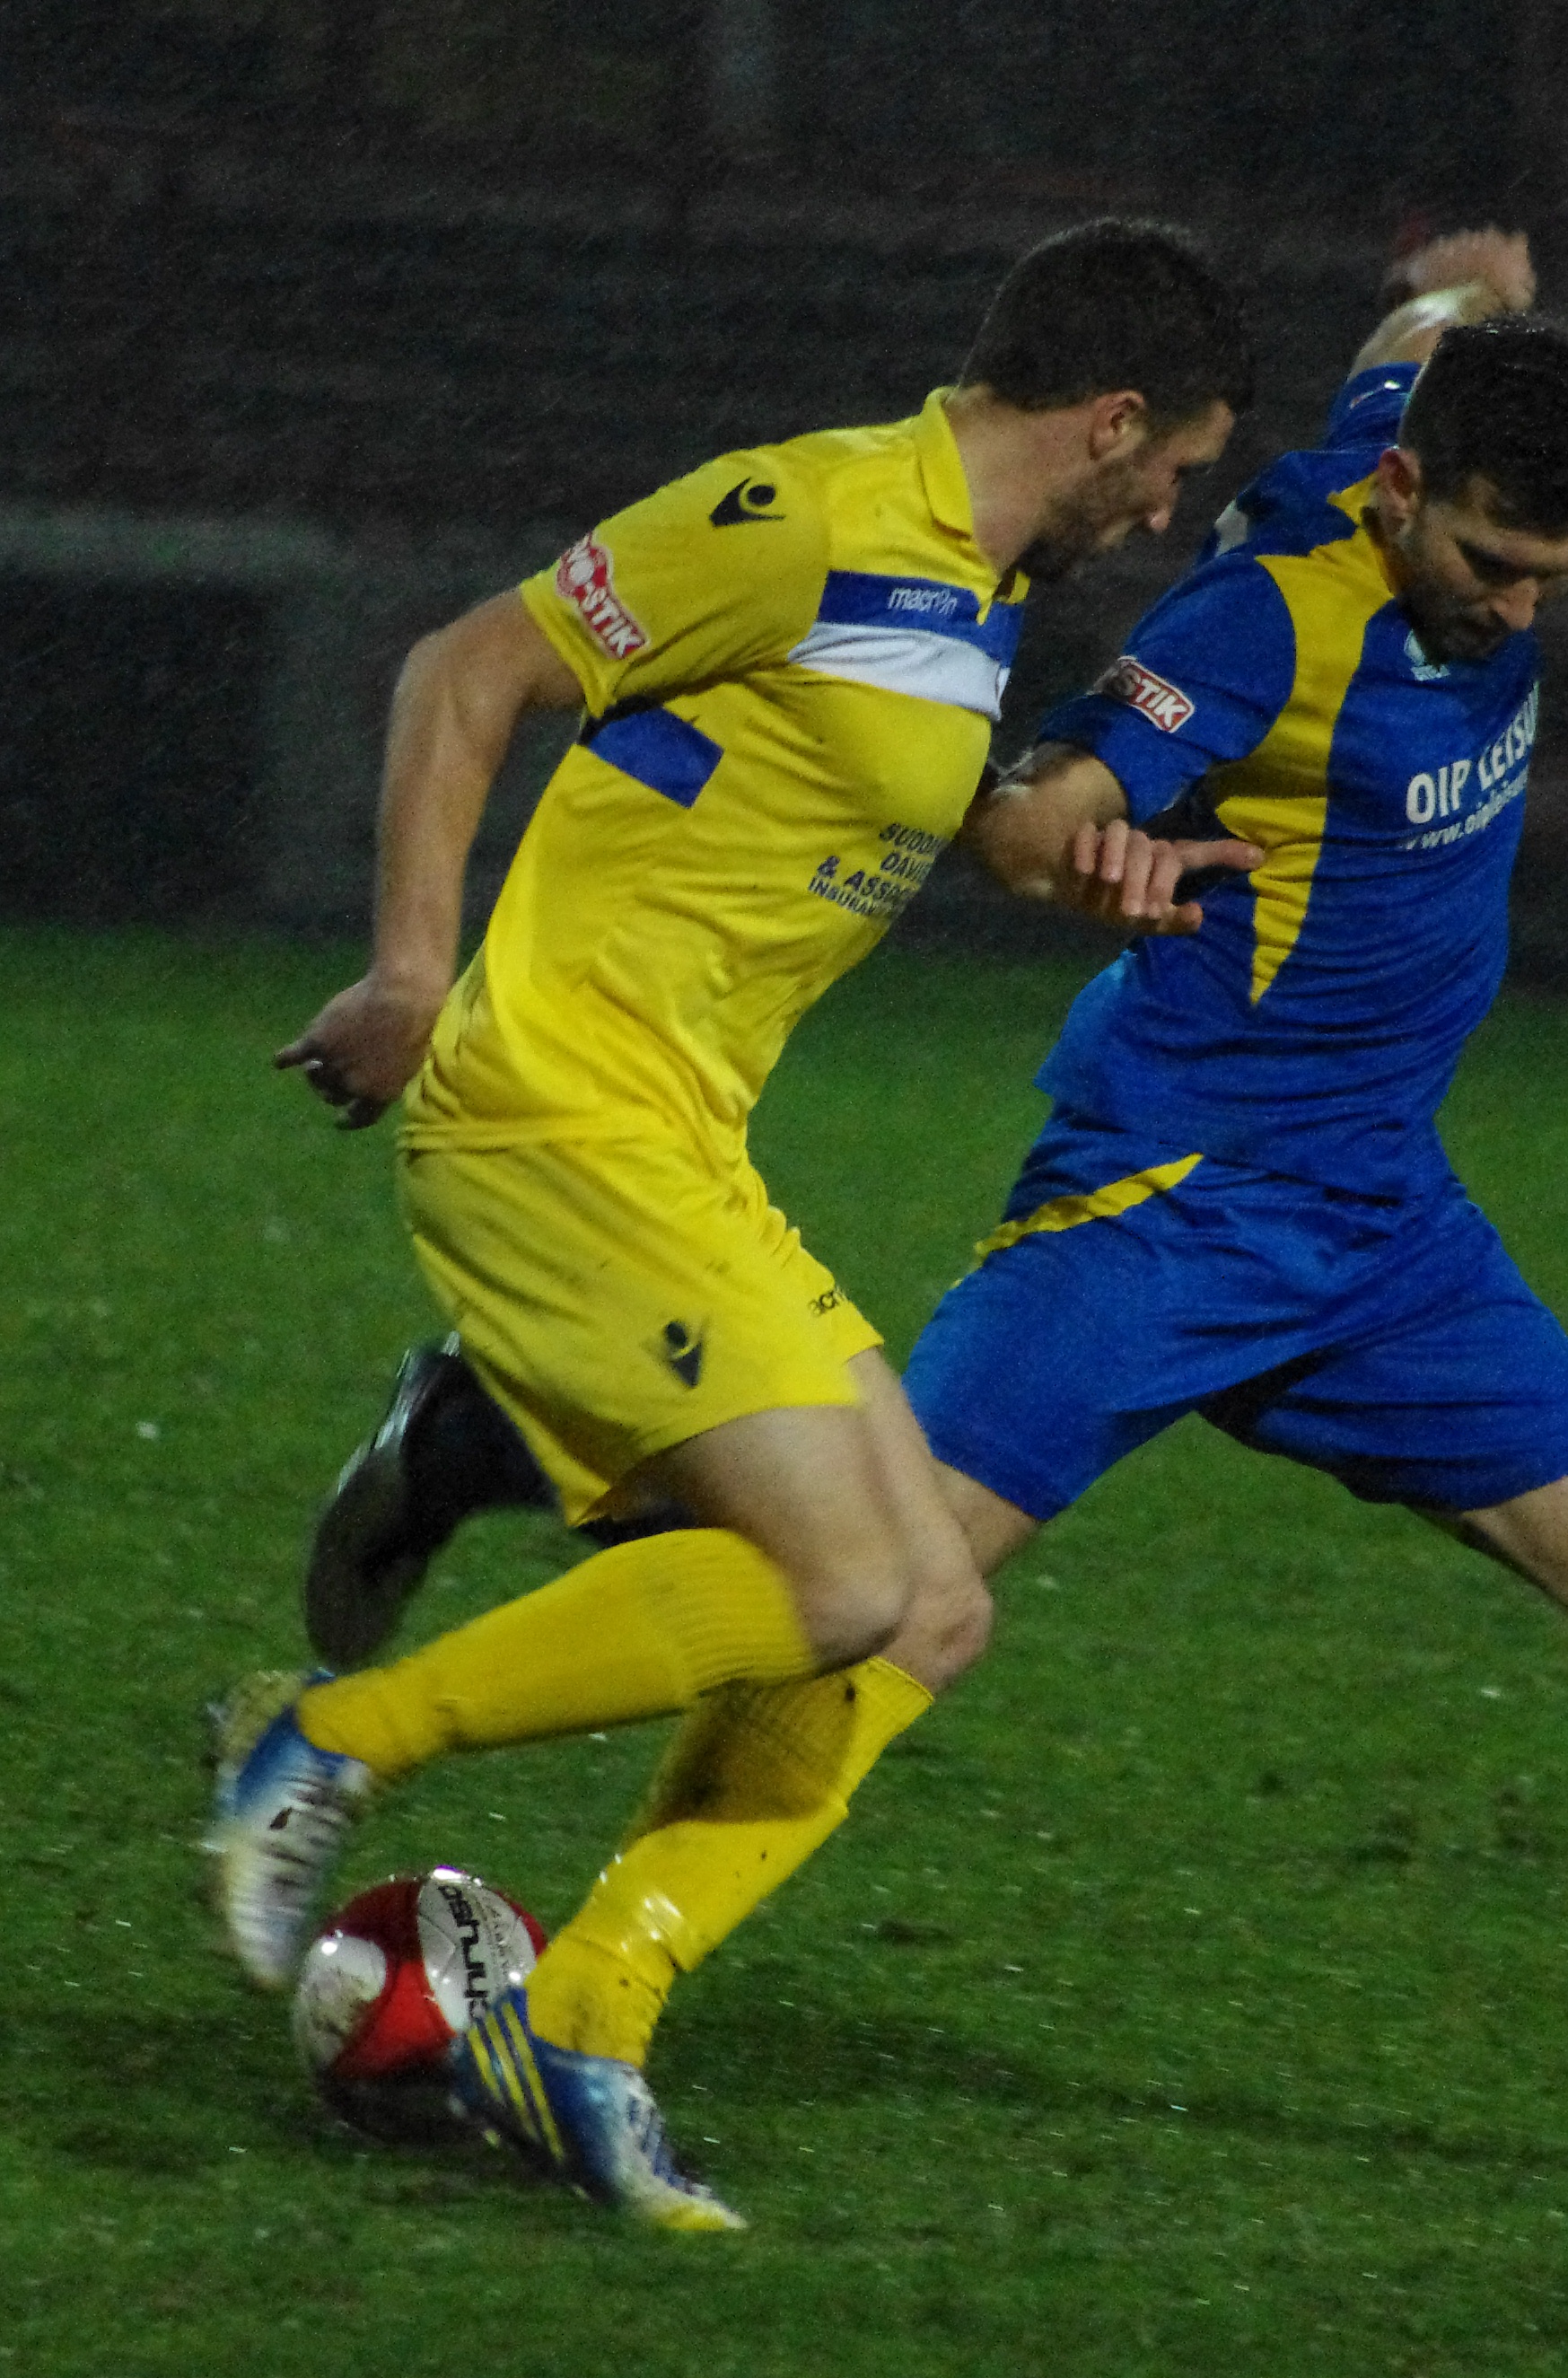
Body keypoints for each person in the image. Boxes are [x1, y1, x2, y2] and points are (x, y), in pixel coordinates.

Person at [301, 230, 1568, 2187]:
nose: (1512, 606)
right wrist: (1081, 845)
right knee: (875, 1591)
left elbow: (1419, 339)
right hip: (1169, 1205)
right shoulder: (1260, 620)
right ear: (1397, 497)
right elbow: (1032, 801)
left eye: (1555, 577)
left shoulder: (1423, 428)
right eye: (1485, 565)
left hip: (1382, 1222)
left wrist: (1465, 286)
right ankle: (583, 1957)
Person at [206, 216, 1257, 2233]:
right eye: (1177, 466)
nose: (1168, 505)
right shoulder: (804, 509)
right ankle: (320, 1733)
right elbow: (467, 667)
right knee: (849, 1579)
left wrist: (1080, 867)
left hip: (687, 1147)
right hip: (551, 1108)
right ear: (1115, 421)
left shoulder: (968, 592)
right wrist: (413, 973)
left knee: (931, 1602)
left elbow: (894, 802)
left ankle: (586, 2019)